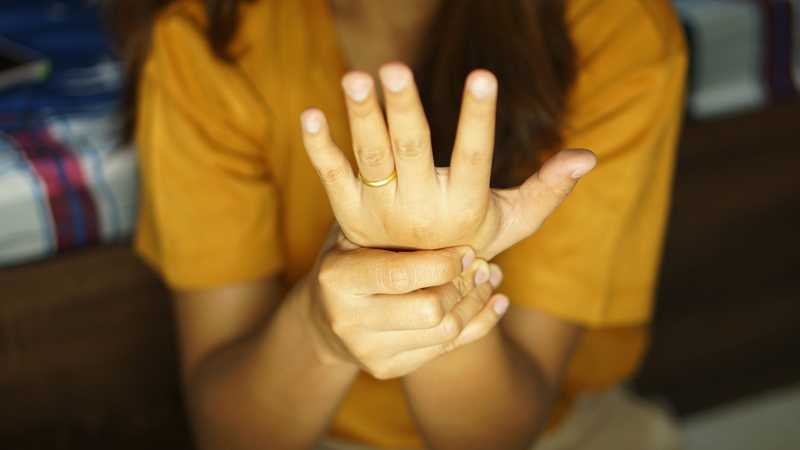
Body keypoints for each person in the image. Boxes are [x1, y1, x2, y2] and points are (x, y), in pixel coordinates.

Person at [109, 0, 687, 449]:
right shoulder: (203, 39)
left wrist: (433, 272)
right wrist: (318, 332)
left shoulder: (617, 31)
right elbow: (232, 436)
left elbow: (497, 435)